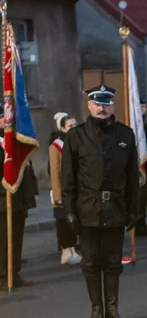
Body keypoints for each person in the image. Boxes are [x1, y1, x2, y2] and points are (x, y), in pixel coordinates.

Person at [62, 85, 140, 318]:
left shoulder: (125, 135)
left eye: (106, 102)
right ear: (89, 104)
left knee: (113, 262)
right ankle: (97, 309)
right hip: (87, 208)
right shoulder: (76, 136)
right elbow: (68, 178)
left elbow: (132, 176)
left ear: (113, 105)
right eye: (97, 102)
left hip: (115, 208)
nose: (101, 107)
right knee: (91, 263)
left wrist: (135, 208)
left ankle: (113, 309)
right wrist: (70, 211)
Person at [49, 112, 81, 266]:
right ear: (62, 128)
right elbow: (55, 172)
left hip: (76, 190)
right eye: (70, 126)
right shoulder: (56, 146)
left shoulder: (77, 142)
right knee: (63, 222)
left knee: (74, 221)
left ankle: (73, 247)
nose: (74, 128)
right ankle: (65, 250)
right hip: (62, 191)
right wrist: (57, 195)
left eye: (76, 125)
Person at [0, 158, 38, 289]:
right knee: (3, 242)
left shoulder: (16, 145)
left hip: (18, 201)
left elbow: (27, 169)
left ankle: (14, 273)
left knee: (16, 240)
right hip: (4, 202)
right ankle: (2, 277)